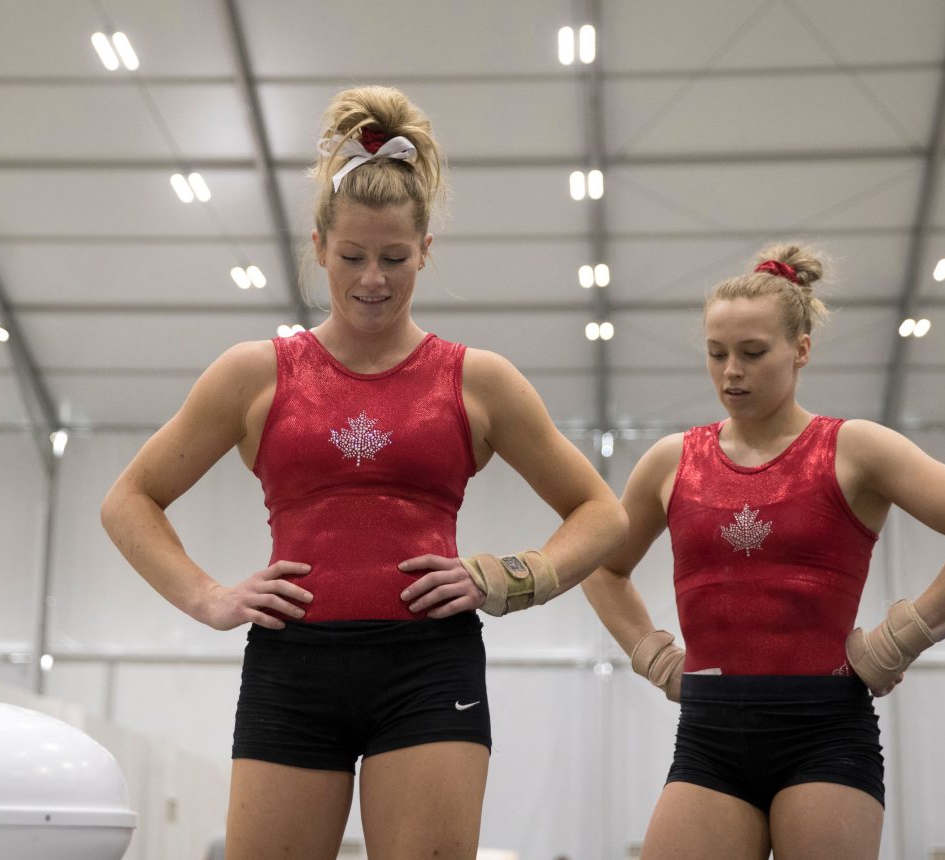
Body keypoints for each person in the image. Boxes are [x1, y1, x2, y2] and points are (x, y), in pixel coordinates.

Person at [101, 85, 627, 860]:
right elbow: (129, 500)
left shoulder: (478, 380)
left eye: (394, 258)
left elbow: (602, 513)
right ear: (318, 247)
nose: (372, 279)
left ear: (425, 251)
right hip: (293, 667)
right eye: (351, 257)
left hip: (428, 668)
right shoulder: (254, 374)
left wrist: (510, 578)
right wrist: (208, 597)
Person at [580, 243, 945, 859]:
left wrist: (899, 640)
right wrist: (654, 658)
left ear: (801, 350)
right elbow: (603, 566)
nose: (731, 372)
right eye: (716, 353)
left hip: (825, 734)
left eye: (752, 353)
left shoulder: (855, 450)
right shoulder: (671, 461)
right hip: (709, 736)